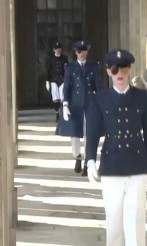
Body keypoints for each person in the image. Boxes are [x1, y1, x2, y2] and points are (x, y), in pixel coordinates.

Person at [85, 49, 147, 246]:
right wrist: (90, 161)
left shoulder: (144, 98)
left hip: (137, 163)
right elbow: (93, 133)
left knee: (135, 215)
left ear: (129, 70)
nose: (119, 74)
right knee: (114, 215)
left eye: (123, 69)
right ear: (108, 71)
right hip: (112, 164)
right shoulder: (100, 99)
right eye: (114, 69)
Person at [57, 40, 102, 176]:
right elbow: (67, 87)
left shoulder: (93, 66)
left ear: (87, 52)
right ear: (76, 53)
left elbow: (98, 85)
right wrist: (65, 104)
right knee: (75, 134)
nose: (81, 54)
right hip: (75, 104)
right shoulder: (70, 67)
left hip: (90, 103)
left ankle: (87, 163)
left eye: (84, 51)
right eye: (79, 51)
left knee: (89, 133)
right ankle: (77, 157)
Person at [45, 41, 68, 122]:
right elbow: (48, 70)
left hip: (62, 79)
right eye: (57, 49)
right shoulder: (50, 59)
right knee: (55, 98)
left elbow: (66, 69)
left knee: (63, 97)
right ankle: (57, 113)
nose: (58, 50)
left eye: (59, 49)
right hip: (53, 80)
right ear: (54, 50)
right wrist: (47, 81)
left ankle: (62, 113)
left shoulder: (64, 58)